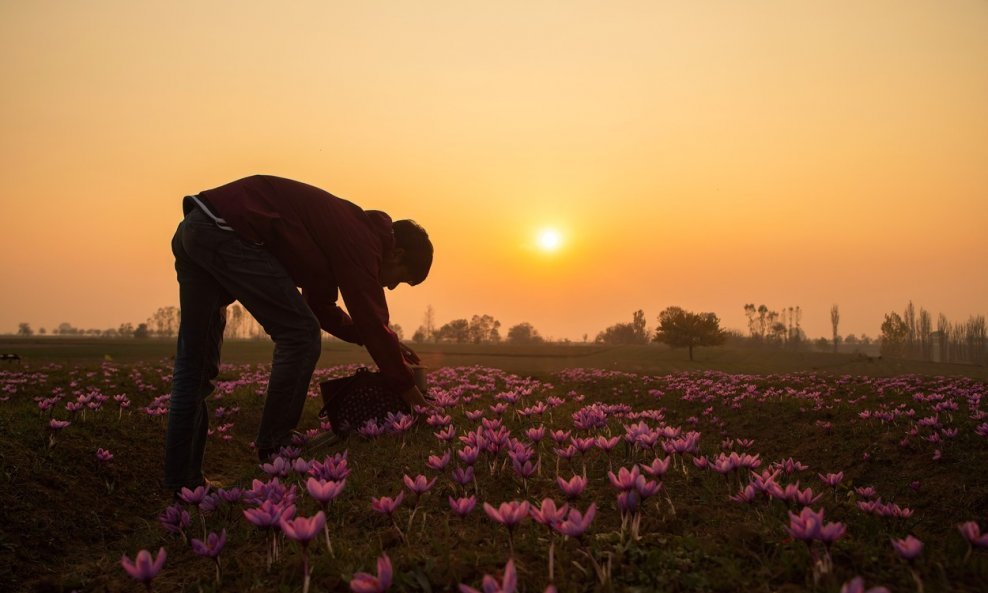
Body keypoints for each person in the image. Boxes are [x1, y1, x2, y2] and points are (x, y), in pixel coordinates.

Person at [164, 174, 432, 494]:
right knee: (300, 334)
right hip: (226, 229)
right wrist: (412, 395)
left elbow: (321, 306)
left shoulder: (340, 231)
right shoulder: (363, 240)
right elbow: (372, 317)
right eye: (400, 280)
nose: (389, 286)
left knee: (195, 368)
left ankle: (183, 484)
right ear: (398, 254)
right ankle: (277, 446)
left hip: (197, 227)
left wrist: (373, 338)